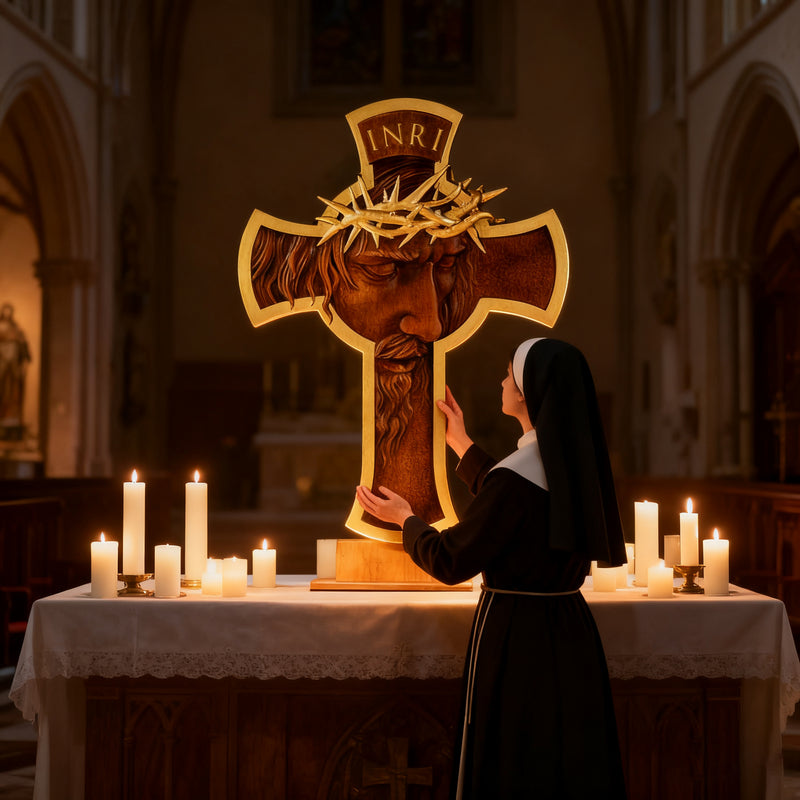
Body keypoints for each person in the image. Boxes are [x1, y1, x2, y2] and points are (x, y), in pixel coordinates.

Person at [356, 337, 628, 799]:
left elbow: (450, 558)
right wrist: (462, 444)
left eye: (508, 375)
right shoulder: (571, 464)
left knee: (516, 760)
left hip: (516, 639)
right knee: (567, 759)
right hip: (571, 635)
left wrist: (406, 519)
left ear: (526, 392)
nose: (502, 381)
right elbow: (518, 508)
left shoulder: (518, 478)